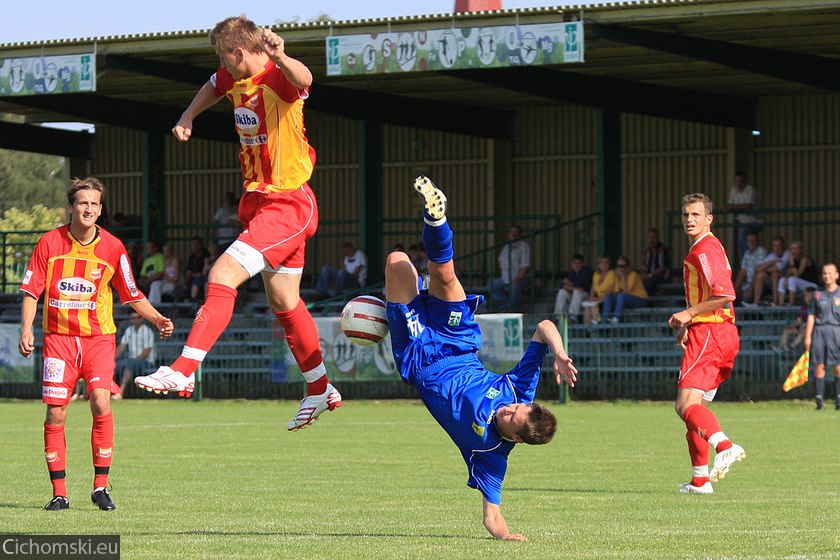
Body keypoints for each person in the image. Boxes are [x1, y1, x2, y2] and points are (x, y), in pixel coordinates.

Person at [135, 16, 341, 431]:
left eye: (223, 56)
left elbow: (306, 79)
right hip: (259, 202)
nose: (221, 64)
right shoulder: (233, 78)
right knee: (284, 300)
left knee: (222, 274)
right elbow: (213, 85)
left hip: (287, 204)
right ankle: (319, 387)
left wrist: (282, 55)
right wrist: (189, 115)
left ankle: (184, 367)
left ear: (240, 52)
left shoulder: (276, 79)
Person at [386, 176, 578, 540]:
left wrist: (506, 537)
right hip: (457, 341)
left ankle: (414, 294)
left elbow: (492, 516)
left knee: (397, 263)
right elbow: (544, 326)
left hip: (419, 358)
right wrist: (560, 353)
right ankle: (435, 216)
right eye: (516, 408)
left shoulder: (491, 454)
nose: (507, 410)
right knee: (444, 274)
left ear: (516, 438)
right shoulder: (520, 391)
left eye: (510, 417)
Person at [18, 177, 174, 511]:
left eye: (94, 204)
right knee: (56, 411)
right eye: (82, 203)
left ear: (100, 210)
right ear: (71, 207)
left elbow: (131, 293)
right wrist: (26, 329)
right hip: (58, 340)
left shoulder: (113, 248)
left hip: (98, 340)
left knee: (101, 402)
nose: (88, 209)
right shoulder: (49, 243)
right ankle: (60, 493)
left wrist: (157, 318)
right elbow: (32, 290)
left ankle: (100, 488)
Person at [668, 192, 746, 494]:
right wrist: (690, 323)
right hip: (715, 331)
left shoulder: (705, 249)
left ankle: (724, 445)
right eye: (686, 214)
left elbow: (725, 293)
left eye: (696, 215)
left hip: (712, 334)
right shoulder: (706, 248)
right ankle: (700, 480)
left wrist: (689, 314)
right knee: (695, 408)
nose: (690, 219)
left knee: (685, 405)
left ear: (709, 219)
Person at [803, 263, 840, 411]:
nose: (827, 276)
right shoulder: (818, 295)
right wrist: (807, 337)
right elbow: (811, 316)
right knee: (819, 366)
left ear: (836, 275)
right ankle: (819, 401)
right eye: (825, 273)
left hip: (837, 331)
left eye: (830, 273)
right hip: (819, 331)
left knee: (838, 367)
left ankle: (838, 401)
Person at [488, 224, 530, 311]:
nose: (514, 234)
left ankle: (511, 308)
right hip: (505, 277)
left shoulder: (524, 246)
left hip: (518, 278)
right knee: (491, 285)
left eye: (516, 232)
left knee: (515, 288)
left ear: (520, 234)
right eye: (512, 232)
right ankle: (505, 304)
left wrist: (518, 278)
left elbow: (525, 265)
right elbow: (501, 261)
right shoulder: (506, 246)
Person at [115, 312, 157, 396]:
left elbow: (146, 353)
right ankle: (108, 391)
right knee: (112, 366)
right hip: (130, 360)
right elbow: (121, 347)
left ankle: (120, 392)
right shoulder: (129, 330)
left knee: (130, 364)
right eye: (133, 318)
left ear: (142, 318)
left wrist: (134, 360)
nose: (136, 319)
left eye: (138, 317)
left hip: (146, 361)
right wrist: (112, 360)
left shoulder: (147, 331)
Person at [724, 171, 762, 259]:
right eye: (737, 181)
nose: (739, 183)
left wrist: (732, 206)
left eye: (740, 180)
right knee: (741, 236)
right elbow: (729, 205)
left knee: (742, 234)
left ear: (745, 180)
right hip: (743, 223)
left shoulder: (750, 189)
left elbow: (748, 205)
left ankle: (745, 260)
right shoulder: (734, 190)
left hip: (756, 221)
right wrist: (729, 207)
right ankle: (748, 261)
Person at [601, 256, 648, 323]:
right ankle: (605, 320)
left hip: (641, 300)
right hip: (627, 299)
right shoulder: (617, 277)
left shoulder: (633, 274)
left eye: (622, 266)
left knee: (622, 295)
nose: (620, 268)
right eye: (618, 266)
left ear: (628, 267)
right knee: (609, 297)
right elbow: (616, 291)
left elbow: (626, 292)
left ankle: (616, 319)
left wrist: (623, 277)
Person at [748, 235, 790, 306]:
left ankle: (775, 301)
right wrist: (769, 263)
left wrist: (766, 268)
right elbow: (757, 269)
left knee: (775, 274)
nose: (777, 248)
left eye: (779, 246)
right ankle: (756, 303)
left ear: (783, 246)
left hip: (787, 284)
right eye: (774, 246)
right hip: (773, 284)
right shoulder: (772, 256)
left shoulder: (787, 254)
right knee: (760, 275)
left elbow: (778, 268)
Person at [553, 253, 593, 322]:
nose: (576, 265)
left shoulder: (587, 271)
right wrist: (573, 287)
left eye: (578, 263)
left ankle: (572, 316)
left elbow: (581, 285)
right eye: (574, 263)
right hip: (574, 296)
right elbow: (562, 285)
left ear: (582, 264)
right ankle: (557, 316)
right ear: (572, 264)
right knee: (562, 292)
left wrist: (570, 285)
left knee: (577, 292)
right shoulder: (571, 272)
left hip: (585, 296)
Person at [774, 286, 815, 353]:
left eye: (810, 296)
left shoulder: (816, 307)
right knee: (787, 330)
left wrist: (804, 325)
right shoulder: (803, 307)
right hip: (802, 326)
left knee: (805, 329)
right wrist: (794, 325)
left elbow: (814, 320)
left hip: (812, 329)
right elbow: (799, 320)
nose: (808, 298)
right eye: (806, 296)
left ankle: (791, 346)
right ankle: (782, 347)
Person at [778, 241, 819, 306]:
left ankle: (791, 304)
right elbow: (788, 274)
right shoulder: (793, 261)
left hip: (812, 286)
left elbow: (797, 274)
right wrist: (786, 279)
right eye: (793, 249)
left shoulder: (805, 259)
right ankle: (781, 304)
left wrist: (791, 262)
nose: (794, 251)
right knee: (782, 280)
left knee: (792, 279)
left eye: (797, 248)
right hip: (800, 287)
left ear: (801, 249)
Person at [733, 231, 767, 304]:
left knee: (746, 298)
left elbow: (758, 270)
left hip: (759, 285)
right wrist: (735, 288)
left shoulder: (761, 251)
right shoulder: (747, 253)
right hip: (748, 284)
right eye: (749, 241)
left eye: (753, 241)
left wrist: (751, 288)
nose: (751, 243)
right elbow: (743, 271)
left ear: (757, 242)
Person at [582, 256, 617, 325]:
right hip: (597, 298)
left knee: (593, 305)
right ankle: (587, 327)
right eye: (601, 262)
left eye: (606, 262)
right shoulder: (596, 274)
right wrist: (591, 297)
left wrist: (597, 298)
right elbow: (593, 288)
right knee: (587, 306)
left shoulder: (612, 273)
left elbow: (610, 289)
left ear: (609, 264)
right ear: (598, 264)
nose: (603, 264)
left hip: (608, 298)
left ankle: (596, 323)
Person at [639, 228, 671, 295]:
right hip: (649, 277)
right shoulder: (647, 251)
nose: (651, 240)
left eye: (653, 237)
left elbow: (663, 268)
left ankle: (650, 303)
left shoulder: (663, 249)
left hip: (662, 278)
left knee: (649, 283)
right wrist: (643, 273)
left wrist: (649, 275)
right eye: (649, 238)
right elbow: (643, 265)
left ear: (658, 238)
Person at [137, 240, 165, 305]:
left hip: (158, 281)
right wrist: (142, 280)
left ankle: (152, 307)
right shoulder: (147, 260)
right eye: (147, 248)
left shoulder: (160, 257)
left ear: (155, 248)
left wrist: (148, 281)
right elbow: (143, 274)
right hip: (147, 282)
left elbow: (161, 273)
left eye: (149, 247)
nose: (147, 249)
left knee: (153, 285)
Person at [182, 236, 209, 301]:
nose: (195, 246)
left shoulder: (206, 254)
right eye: (193, 244)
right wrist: (186, 281)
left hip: (204, 277)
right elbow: (189, 271)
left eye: (197, 244)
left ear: (201, 244)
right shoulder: (192, 257)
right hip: (193, 277)